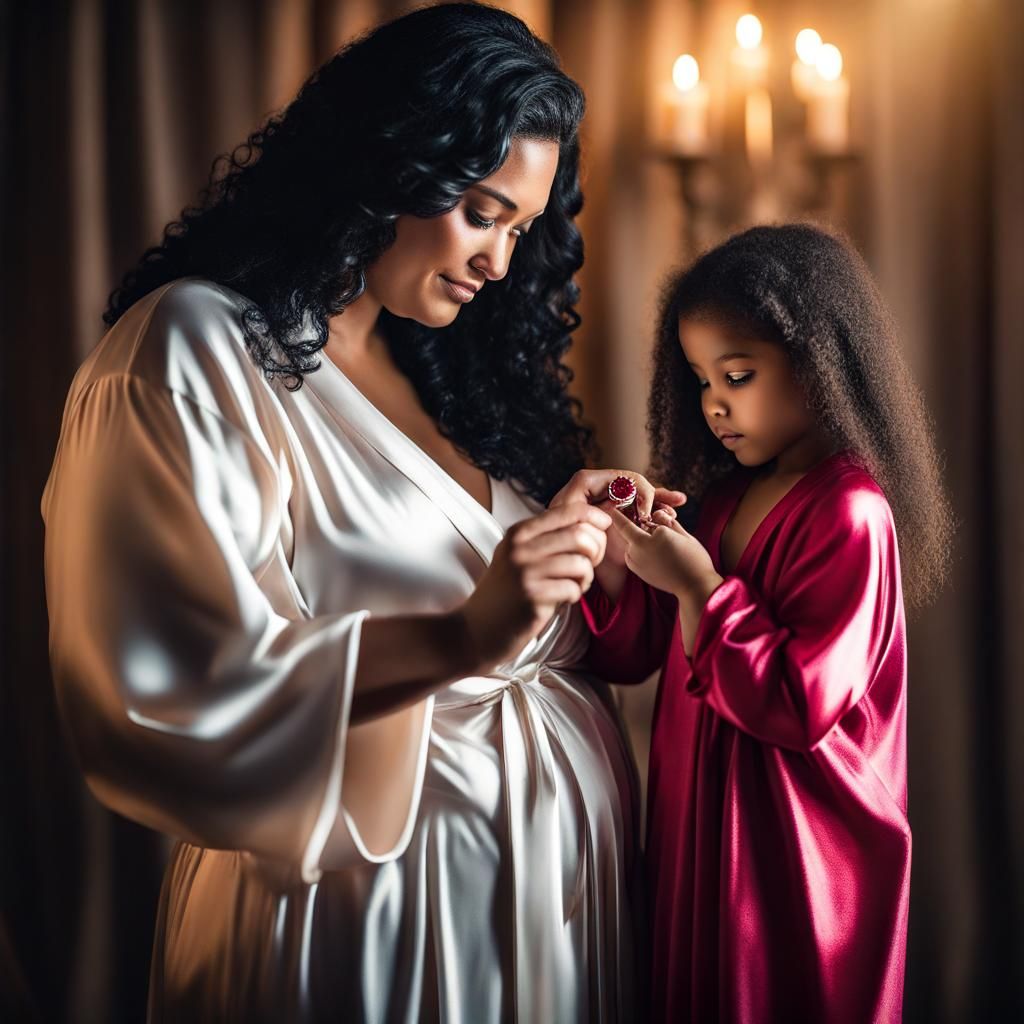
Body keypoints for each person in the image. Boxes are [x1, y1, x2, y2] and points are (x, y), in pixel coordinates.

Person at [41, 5, 642, 1021]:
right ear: (392, 164)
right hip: (369, 920)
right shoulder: (196, 348)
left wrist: (582, 547)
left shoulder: (447, 375)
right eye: (483, 212)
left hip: (555, 905)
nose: (500, 263)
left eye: (522, 229)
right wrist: (461, 633)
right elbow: (165, 686)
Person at [552, 224, 954, 1023]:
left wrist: (701, 586)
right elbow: (633, 653)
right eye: (700, 380)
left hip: (792, 851)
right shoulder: (725, 498)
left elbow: (799, 706)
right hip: (697, 831)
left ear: (819, 364)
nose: (714, 404)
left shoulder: (851, 513)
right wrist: (615, 556)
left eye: (737, 374)